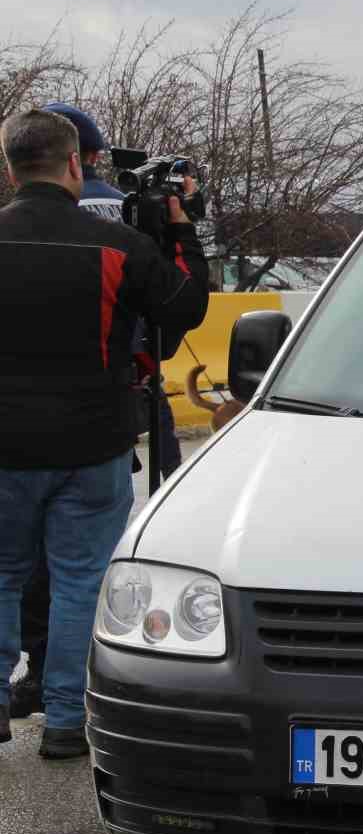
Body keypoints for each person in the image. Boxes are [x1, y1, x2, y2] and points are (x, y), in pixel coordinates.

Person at [0, 108, 208, 757]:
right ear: (73, 164)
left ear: (10, 168)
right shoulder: (120, 246)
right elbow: (184, 309)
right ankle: (65, 720)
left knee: (2, 577)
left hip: (4, 447)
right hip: (92, 446)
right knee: (79, 580)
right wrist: (182, 232)